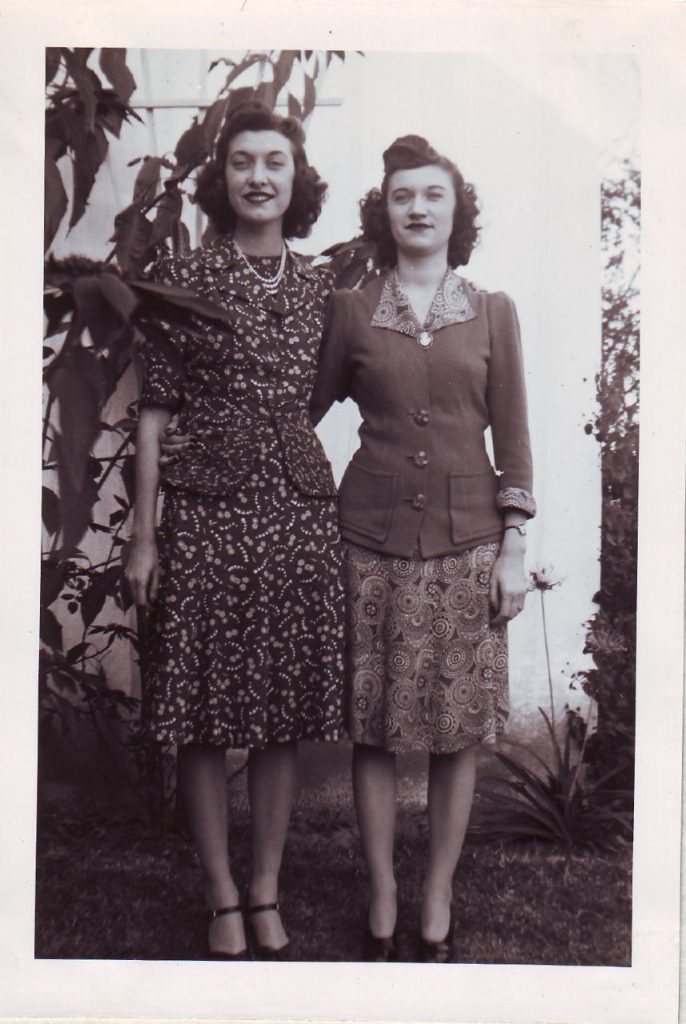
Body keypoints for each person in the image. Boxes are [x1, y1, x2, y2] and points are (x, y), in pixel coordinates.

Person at [125, 102, 346, 961]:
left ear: (298, 182)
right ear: (223, 180)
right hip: (209, 511)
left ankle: (265, 890)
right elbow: (151, 415)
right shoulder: (184, 279)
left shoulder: (328, 284)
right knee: (208, 711)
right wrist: (144, 534)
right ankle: (221, 895)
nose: (260, 177)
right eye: (245, 162)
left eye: (276, 163)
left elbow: (334, 390)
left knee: (283, 710)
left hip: (296, 509)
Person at [309, 135, 536, 962]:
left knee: (453, 733)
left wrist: (514, 547)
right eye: (403, 196)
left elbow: (513, 438)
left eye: (433, 196)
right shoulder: (351, 309)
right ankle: (382, 889)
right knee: (372, 728)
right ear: (385, 209)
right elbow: (300, 415)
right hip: (365, 540)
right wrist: (288, 505)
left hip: (468, 543)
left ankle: (437, 888)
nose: (417, 208)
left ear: (454, 211)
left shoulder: (492, 311)